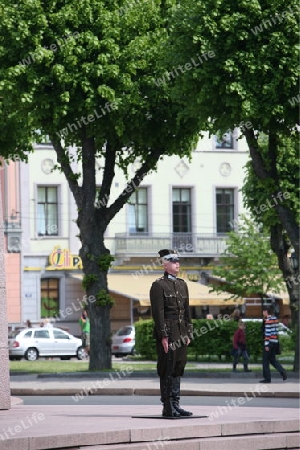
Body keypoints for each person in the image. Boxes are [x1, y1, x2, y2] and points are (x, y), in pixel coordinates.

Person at [149, 249, 193, 418]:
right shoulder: (158, 285)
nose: (177, 264)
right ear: (165, 264)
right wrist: (164, 335)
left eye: (178, 261)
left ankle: (176, 404)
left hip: (181, 331)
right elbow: (158, 313)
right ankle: (167, 406)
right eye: (174, 261)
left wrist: (188, 332)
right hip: (169, 331)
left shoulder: (182, 284)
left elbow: (187, 311)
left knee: (178, 367)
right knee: (167, 367)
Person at [260, 304, 287, 383]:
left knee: (265, 361)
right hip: (275, 341)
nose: (263, 313)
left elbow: (268, 333)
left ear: (266, 311)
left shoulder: (268, 320)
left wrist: (266, 344)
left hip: (269, 342)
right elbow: (275, 331)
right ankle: (282, 371)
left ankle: (267, 378)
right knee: (272, 359)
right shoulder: (275, 319)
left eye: (263, 311)